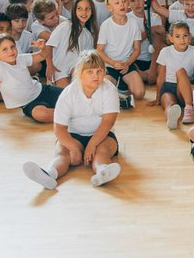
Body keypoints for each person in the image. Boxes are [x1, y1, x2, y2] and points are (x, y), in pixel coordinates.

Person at [22, 51, 122, 190]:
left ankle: (102, 172)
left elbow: (108, 122)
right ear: (80, 74)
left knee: (101, 152)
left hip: (102, 136)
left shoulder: (109, 89)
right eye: (90, 72)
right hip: (73, 135)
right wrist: (73, 148)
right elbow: (59, 128)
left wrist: (92, 144)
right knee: (63, 154)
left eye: (99, 71)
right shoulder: (68, 93)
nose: (96, 76)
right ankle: (49, 174)